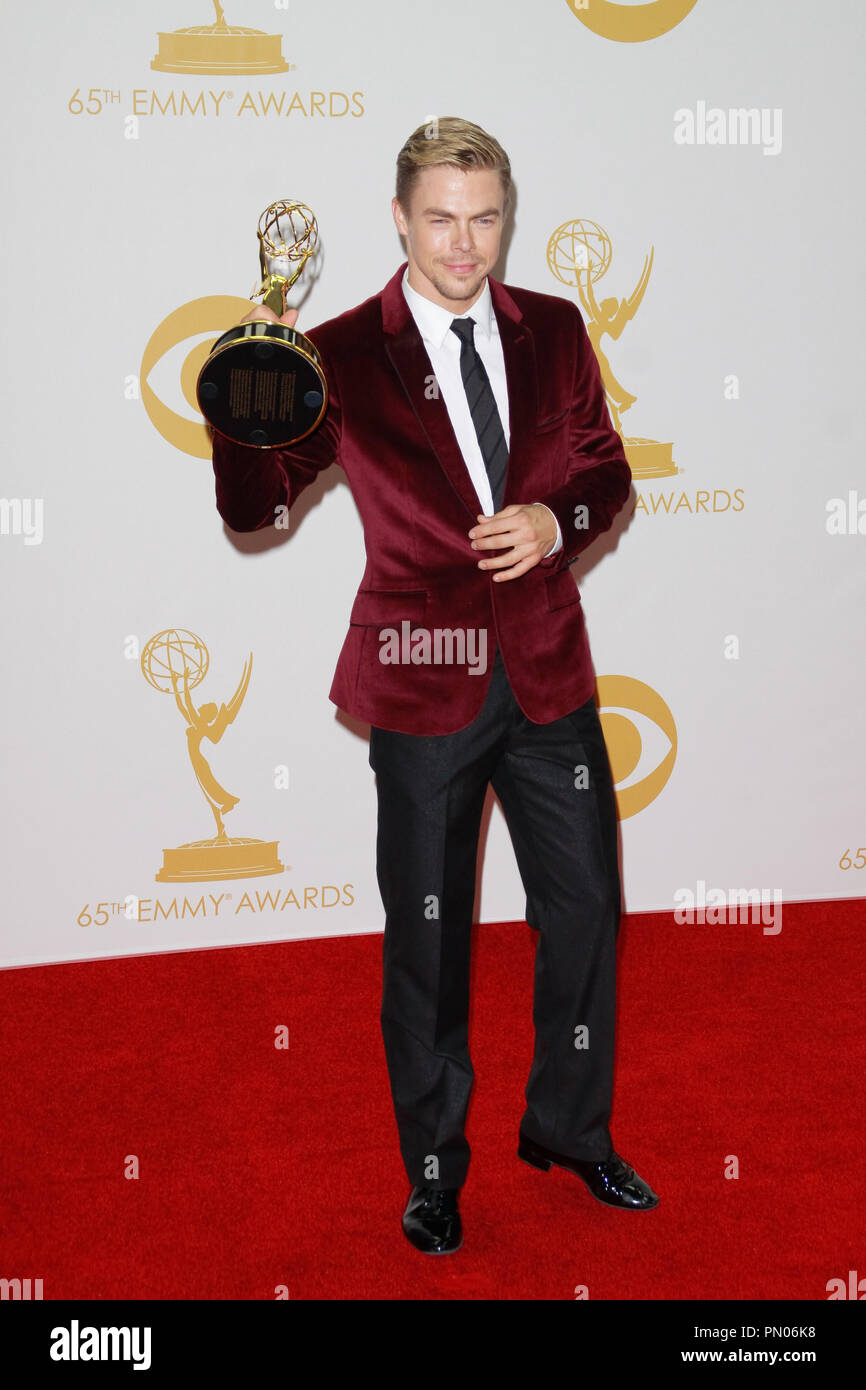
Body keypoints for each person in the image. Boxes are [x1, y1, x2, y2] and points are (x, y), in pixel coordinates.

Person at [210, 117, 658, 1255]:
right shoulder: (340, 351)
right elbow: (255, 512)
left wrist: (551, 522)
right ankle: (431, 1170)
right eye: (441, 219)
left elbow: (602, 472)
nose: (465, 245)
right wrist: (250, 391)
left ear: (505, 217)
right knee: (430, 937)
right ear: (400, 218)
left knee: (584, 912)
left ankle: (567, 1126)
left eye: (486, 218)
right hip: (421, 681)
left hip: (547, 666)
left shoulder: (554, 330)